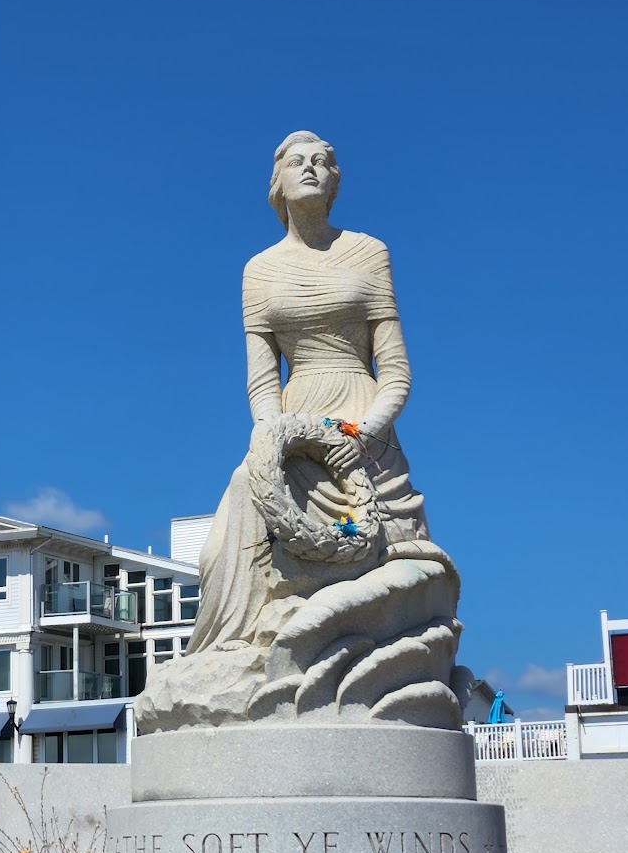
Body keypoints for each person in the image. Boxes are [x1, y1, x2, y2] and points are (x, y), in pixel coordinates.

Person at [134, 131, 462, 732]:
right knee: (224, 534)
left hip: (361, 419)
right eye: (297, 162)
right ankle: (231, 649)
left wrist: (363, 432)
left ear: (335, 181)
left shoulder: (369, 253)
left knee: (383, 546)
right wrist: (274, 441)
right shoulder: (257, 271)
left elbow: (396, 371)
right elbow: (262, 380)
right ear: (277, 182)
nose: (311, 169)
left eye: (322, 162)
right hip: (290, 421)